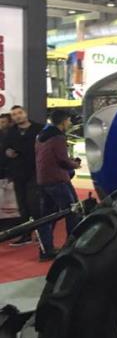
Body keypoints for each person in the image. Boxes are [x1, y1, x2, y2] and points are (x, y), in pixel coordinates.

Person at [35, 109, 81, 261]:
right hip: (58, 180)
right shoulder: (58, 137)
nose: (70, 123)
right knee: (73, 211)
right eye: (68, 120)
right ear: (63, 121)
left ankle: (45, 249)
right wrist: (75, 164)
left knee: (47, 217)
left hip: (44, 180)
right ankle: (72, 247)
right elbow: (62, 160)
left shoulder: (41, 136)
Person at [4, 106, 43, 246]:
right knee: (22, 205)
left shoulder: (39, 129)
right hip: (18, 173)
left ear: (25, 113)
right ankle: (26, 234)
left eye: (19, 113)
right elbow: (5, 148)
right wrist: (7, 153)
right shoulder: (10, 132)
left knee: (34, 203)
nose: (18, 116)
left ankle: (42, 233)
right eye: (14, 114)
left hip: (35, 171)